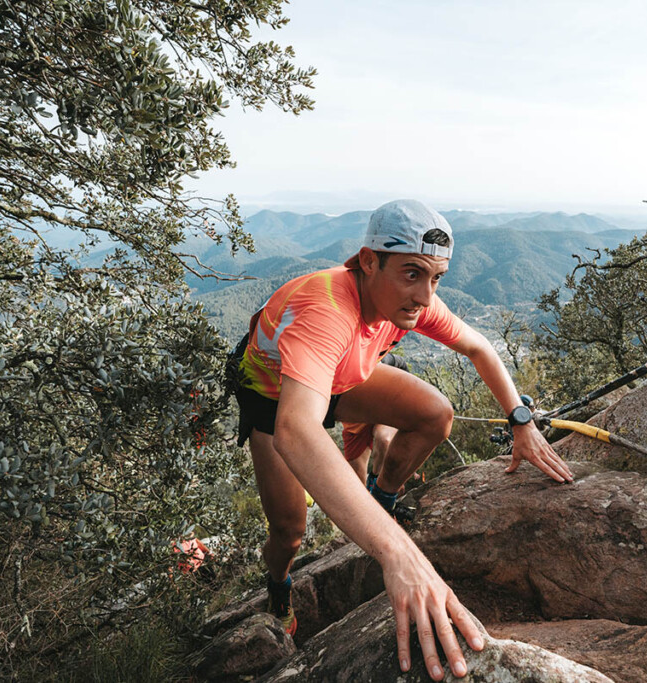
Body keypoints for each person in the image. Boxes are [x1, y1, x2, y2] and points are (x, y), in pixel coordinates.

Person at [229, 199, 573, 681]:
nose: (425, 296)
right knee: (289, 529)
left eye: (436, 278)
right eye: (412, 274)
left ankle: (382, 497)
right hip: (275, 397)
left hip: (339, 381)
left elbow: (479, 346)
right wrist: (397, 551)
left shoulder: (407, 300)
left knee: (435, 413)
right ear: (368, 262)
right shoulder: (324, 309)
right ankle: (279, 585)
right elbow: (295, 428)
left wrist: (521, 421)